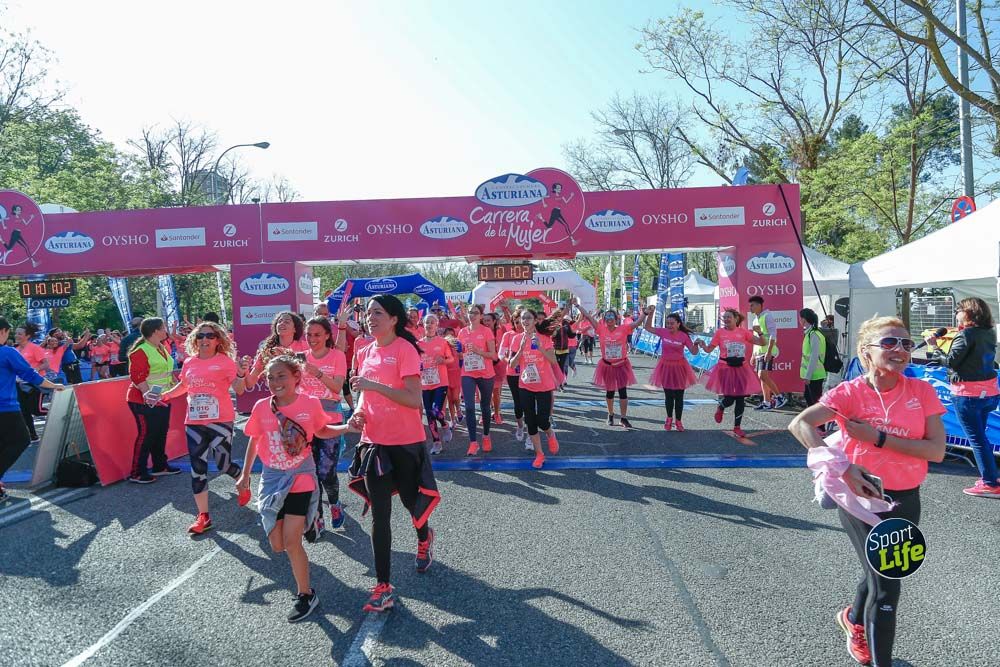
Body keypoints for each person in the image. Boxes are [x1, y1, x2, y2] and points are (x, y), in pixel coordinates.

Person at [788, 316, 945, 667]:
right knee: (888, 586)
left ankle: (853, 619)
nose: (900, 350)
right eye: (889, 343)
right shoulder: (849, 392)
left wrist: (877, 438)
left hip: (907, 496)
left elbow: (935, 451)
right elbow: (799, 423)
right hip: (861, 498)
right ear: (865, 352)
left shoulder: (921, 391)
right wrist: (843, 468)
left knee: (878, 569)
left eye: (905, 343)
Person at [237, 355, 362, 623]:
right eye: (270, 377)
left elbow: (322, 430)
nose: (275, 382)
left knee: (292, 542)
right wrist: (245, 475)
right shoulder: (261, 407)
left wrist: (347, 428)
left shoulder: (309, 403)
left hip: (301, 476)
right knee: (277, 544)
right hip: (271, 478)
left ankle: (305, 594)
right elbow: (255, 440)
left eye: (281, 376)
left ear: (296, 377)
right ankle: (312, 523)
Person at [347, 295, 441, 613]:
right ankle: (383, 586)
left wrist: (374, 386)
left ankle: (424, 537)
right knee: (380, 515)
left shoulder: (405, 350)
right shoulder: (364, 351)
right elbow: (363, 396)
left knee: (411, 502)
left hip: (405, 441)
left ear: (394, 319)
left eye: (378, 313)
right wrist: (358, 414)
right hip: (374, 442)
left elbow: (414, 400)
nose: (370, 317)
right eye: (367, 313)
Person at [161, 322, 252, 534]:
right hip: (194, 422)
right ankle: (203, 516)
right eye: (200, 336)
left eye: (209, 336)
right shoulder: (190, 362)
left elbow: (239, 389)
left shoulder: (225, 362)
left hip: (220, 420)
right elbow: (184, 386)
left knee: (223, 463)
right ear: (195, 339)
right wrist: (165, 395)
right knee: (197, 468)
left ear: (218, 340)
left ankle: (243, 479)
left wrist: (240, 374)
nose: (204, 340)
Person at [927, 297, 1000, 497]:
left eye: (958, 310)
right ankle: (990, 476)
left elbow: (951, 362)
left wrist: (935, 347)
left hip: (968, 394)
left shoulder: (966, 334)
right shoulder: (988, 333)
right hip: (989, 393)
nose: (956, 314)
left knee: (977, 439)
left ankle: (990, 483)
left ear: (968, 313)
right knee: (981, 437)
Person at [0, 318, 64, 501]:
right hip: (5, 407)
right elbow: (29, 374)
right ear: (3, 331)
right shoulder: (7, 352)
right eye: (9, 333)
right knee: (21, 440)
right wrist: (53, 386)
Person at [300, 315, 349, 529]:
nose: (312, 339)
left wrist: (317, 373)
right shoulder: (300, 357)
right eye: (309, 335)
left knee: (326, 471)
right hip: (304, 420)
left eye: (317, 334)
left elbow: (337, 388)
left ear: (327, 335)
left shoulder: (337, 356)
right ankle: (317, 516)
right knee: (310, 472)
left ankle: (335, 502)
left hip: (330, 418)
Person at [126, 317, 182, 484]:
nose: (166, 330)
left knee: (160, 433)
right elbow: (137, 376)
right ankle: (137, 472)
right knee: (147, 435)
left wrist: (174, 383)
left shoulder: (161, 348)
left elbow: (165, 371)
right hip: (143, 400)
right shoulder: (141, 351)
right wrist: (148, 395)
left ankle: (160, 465)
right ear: (155, 331)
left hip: (163, 398)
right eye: (163, 328)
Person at [574, 298, 643, 428]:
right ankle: (610, 414)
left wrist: (645, 313)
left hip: (621, 365)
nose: (610, 320)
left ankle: (623, 417)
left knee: (623, 392)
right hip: (607, 366)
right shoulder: (600, 329)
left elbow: (638, 323)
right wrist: (577, 305)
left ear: (616, 319)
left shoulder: (624, 329)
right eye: (607, 318)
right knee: (610, 392)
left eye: (612, 318)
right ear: (604, 319)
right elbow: (588, 316)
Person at [698, 308, 766, 438]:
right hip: (725, 368)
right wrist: (702, 344)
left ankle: (737, 427)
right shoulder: (720, 333)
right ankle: (722, 406)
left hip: (741, 368)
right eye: (725, 317)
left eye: (729, 317)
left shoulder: (743, 332)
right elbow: (708, 350)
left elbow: (762, 343)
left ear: (736, 319)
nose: (726, 319)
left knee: (740, 398)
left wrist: (760, 333)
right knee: (730, 398)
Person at [509, 309, 560, 468]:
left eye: (528, 318)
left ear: (535, 321)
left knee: (542, 420)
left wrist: (540, 348)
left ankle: (550, 433)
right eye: (523, 318)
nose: (525, 321)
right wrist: (521, 349)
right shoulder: (517, 339)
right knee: (530, 422)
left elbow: (552, 360)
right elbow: (512, 364)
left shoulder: (544, 338)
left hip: (544, 384)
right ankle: (539, 454)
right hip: (525, 385)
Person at [643, 307, 699, 431]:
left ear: (678, 324)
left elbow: (694, 352)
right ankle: (669, 419)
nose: (669, 325)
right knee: (669, 396)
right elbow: (647, 328)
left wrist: (696, 344)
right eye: (668, 323)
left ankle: (678, 421)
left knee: (679, 396)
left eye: (672, 323)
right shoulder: (663, 332)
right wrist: (650, 314)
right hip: (666, 366)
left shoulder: (684, 336)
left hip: (680, 367)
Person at [458, 304, 498, 455]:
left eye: (475, 313)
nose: (472, 315)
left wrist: (478, 351)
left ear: (481, 316)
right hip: (468, 372)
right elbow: (461, 355)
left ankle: (486, 436)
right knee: (469, 407)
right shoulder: (462, 332)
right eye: (470, 312)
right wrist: (458, 352)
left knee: (485, 407)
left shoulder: (486, 331)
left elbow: (494, 355)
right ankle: (473, 442)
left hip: (486, 373)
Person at [419, 314, 455, 455]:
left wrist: (443, 361)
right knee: (429, 415)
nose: (429, 325)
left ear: (437, 325)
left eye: (432, 322)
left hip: (440, 382)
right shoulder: (418, 344)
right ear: (423, 324)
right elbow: (415, 362)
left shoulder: (442, 342)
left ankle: (445, 425)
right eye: (427, 322)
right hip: (425, 383)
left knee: (435, 410)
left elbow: (451, 359)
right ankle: (436, 442)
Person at [245, 311, 309, 387]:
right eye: (280, 321)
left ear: (295, 329)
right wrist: (244, 370)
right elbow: (250, 383)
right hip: (279, 396)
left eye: (287, 322)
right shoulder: (268, 351)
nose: (282, 323)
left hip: (302, 395)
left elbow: (308, 374)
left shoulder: (305, 347)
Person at [748, 296, 786, 410]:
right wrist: (753, 355)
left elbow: (773, 335)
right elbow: (756, 338)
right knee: (763, 378)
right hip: (759, 352)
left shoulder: (767, 316)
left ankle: (780, 396)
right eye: (750, 305)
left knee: (762, 375)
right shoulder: (755, 319)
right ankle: (767, 402)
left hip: (767, 352)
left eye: (752, 305)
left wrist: (769, 352)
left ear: (759, 305)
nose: (750, 307)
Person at [498, 310, 528, 447]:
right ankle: (520, 425)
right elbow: (500, 354)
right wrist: (508, 360)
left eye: (521, 321)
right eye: (516, 322)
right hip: (512, 373)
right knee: (518, 401)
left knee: (528, 400)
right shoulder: (508, 335)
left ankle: (530, 426)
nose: (519, 325)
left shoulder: (530, 335)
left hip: (528, 373)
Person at [15, 323, 49, 442]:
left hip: (34, 384)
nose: (17, 335)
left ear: (27, 336)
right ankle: (33, 435)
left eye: (20, 333)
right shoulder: (15, 350)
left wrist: (35, 369)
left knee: (36, 410)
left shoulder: (35, 348)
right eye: (16, 333)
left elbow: (46, 364)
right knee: (24, 411)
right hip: (19, 384)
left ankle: (56, 413)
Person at [799, 309, 828, 408]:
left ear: (803, 320)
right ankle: (815, 423)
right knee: (810, 399)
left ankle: (819, 423)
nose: (799, 320)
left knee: (814, 403)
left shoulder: (813, 334)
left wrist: (808, 376)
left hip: (814, 375)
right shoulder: (811, 333)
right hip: (814, 374)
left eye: (800, 318)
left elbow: (814, 357)